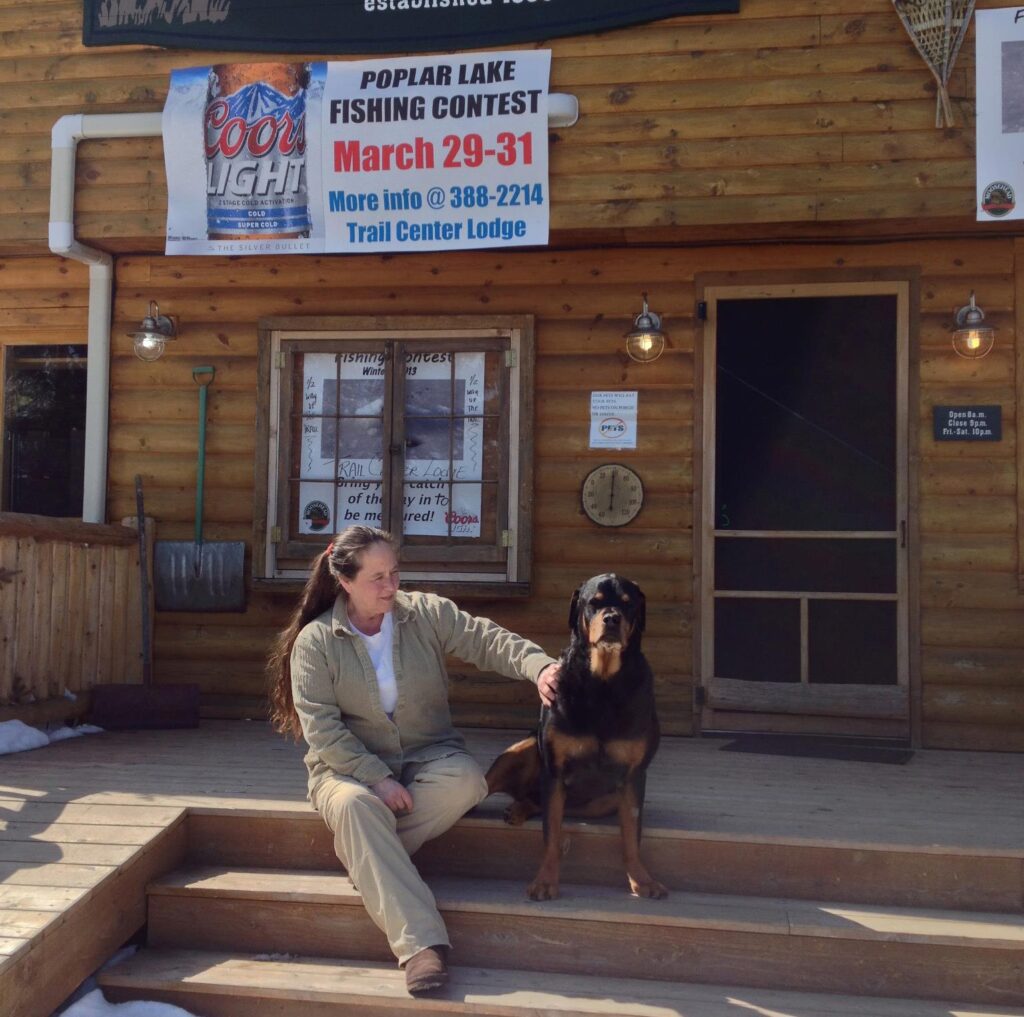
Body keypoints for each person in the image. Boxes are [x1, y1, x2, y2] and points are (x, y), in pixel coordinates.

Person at [267, 524, 560, 995]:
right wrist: (376, 778)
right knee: (355, 808)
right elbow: (321, 730)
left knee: (468, 781)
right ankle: (422, 946)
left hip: (428, 754)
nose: (390, 586)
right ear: (344, 581)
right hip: (346, 767)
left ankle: (369, 858)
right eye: (376, 578)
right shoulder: (316, 642)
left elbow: (486, 639)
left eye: (395, 573)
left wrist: (539, 666)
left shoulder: (424, 613)